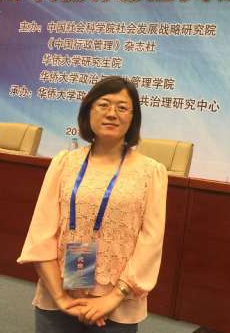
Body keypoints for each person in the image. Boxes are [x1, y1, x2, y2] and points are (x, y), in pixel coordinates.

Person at [18, 76, 168, 333]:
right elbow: (41, 233)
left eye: (122, 107)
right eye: (104, 104)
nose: (112, 114)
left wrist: (114, 297)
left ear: (133, 118)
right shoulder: (64, 163)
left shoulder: (151, 172)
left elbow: (151, 242)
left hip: (117, 305)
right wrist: (61, 297)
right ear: (88, 110)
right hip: (58, 294)